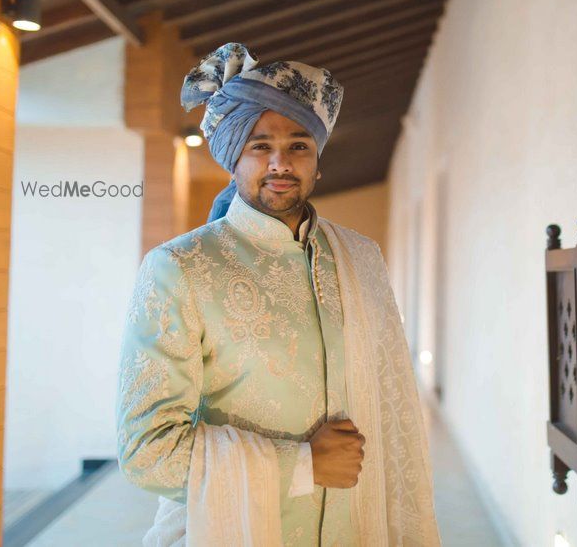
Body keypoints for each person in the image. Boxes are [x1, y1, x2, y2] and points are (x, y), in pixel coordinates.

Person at [115, 43, 441, 546]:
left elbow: (392, 409)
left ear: (318, 161)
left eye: (299, 145)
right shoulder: (181, 268)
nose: (280, 162)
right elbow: (147, 454)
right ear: (233, 156)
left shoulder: (361, 258)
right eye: (259, 145)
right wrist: (304, 465)